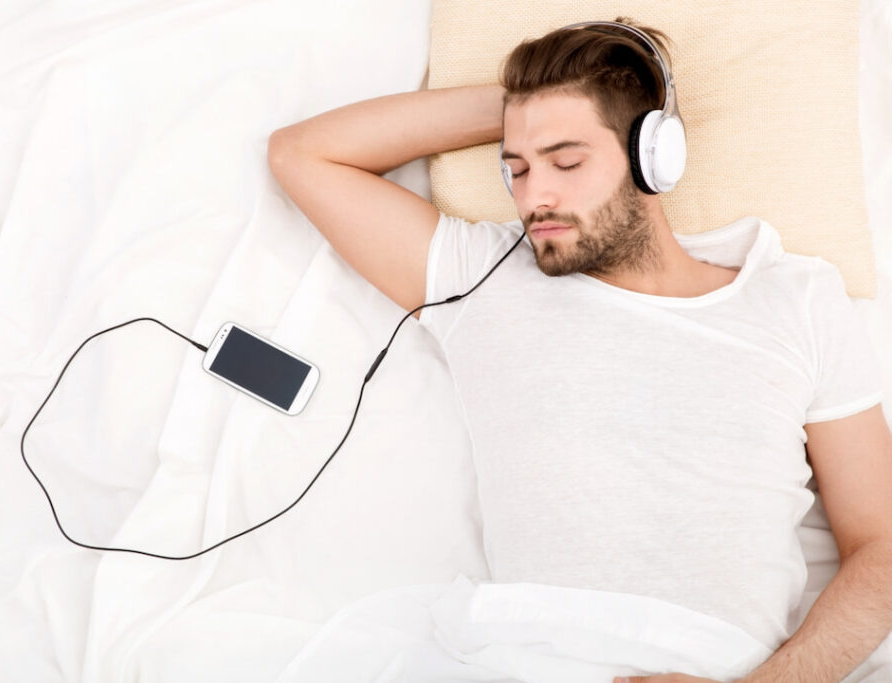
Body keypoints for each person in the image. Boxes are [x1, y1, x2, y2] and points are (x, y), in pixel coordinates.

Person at [266, 17, 892, 681]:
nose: (536, 195)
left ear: (656, 156)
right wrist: (522, 114)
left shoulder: (798, 301)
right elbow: (301, 156)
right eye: (515, 168)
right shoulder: (484, 276)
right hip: (520, 655)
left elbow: (881, 545)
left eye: (566, 161)